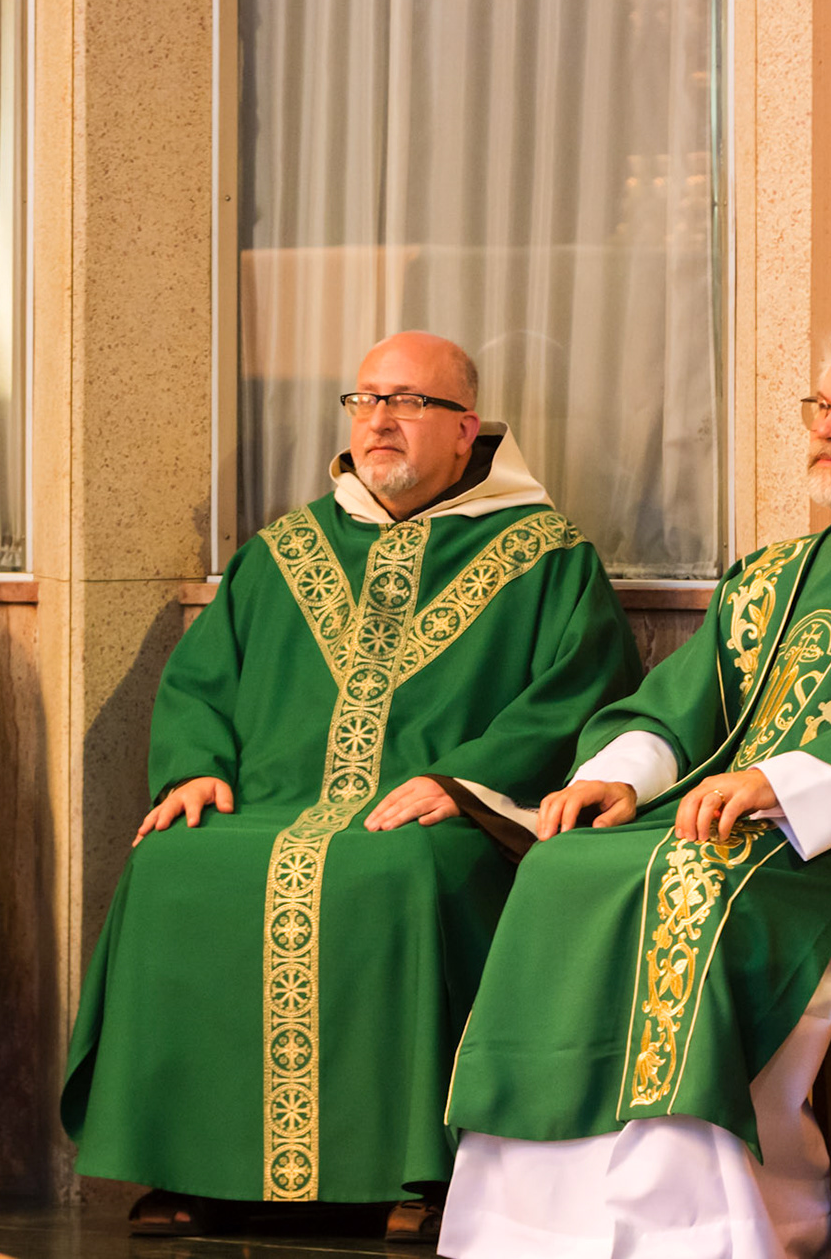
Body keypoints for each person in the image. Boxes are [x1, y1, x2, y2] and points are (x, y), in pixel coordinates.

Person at [438, 326, 831, 1259]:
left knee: (693, 882)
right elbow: (677, 703)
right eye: (823, 406)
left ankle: (696, 1227)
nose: (828, 427)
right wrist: (615, 775)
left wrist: (777, 782)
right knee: (562, 865)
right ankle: (532, 1226)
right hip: (723, 828)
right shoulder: (773, 576)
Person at [60, 331, 644, 1240]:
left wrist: (468, 783)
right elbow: (201, 681)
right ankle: (189, 1163)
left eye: (408, 402)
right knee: (171, 865)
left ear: (467, 428)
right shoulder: (285, 549)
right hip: (272, 803)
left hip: (442, 815)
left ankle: (415, 1174)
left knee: (405, 873)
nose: (378, 421)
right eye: (366, 401)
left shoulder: (545, 555)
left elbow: (579, 690)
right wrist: (196, 768)